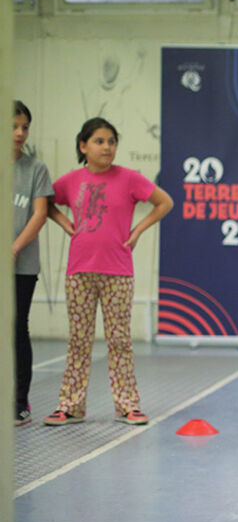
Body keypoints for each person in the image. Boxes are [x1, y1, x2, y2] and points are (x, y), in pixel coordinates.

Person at [44, 117, 173, 426]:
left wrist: (138, 230)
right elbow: (46, 203)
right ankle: (71, 405)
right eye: (99, 141)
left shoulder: (129, 179)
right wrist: (65, 223)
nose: (107, 147)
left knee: (119, 340)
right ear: (83, 146)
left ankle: (127, 404)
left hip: (118, 272)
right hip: (79, 272)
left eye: (111, 142)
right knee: (79, 339)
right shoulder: (71, 181)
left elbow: (164, 202)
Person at [12, 101, 54, 426]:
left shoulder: (35, 169)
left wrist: (12, 248)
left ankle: (18, 402)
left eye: (25, 126)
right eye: (14, 125)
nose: (20, 133)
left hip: (22, 266)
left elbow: (40, 215)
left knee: (16, 328)